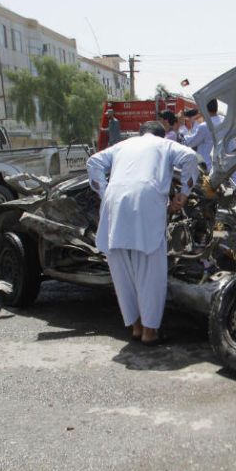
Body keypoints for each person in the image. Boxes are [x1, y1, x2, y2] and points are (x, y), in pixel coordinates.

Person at [86, 120, 198, 344]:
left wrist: (105, 192)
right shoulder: (164, 144)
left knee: (122, 270)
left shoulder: (123, 145)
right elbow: (190, 157)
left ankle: (136, 327)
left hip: (114, 201)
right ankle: (149, 332)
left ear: (140, 133)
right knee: (150, 270)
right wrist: (183, 194)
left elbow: (93, 162)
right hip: (147, 199)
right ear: (161, 135)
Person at [183, 99, 224, 172]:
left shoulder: (204, 126)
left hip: (206, 166)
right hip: (222, 165)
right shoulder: (224, 120)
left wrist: (182, 130)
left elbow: (191, 143)